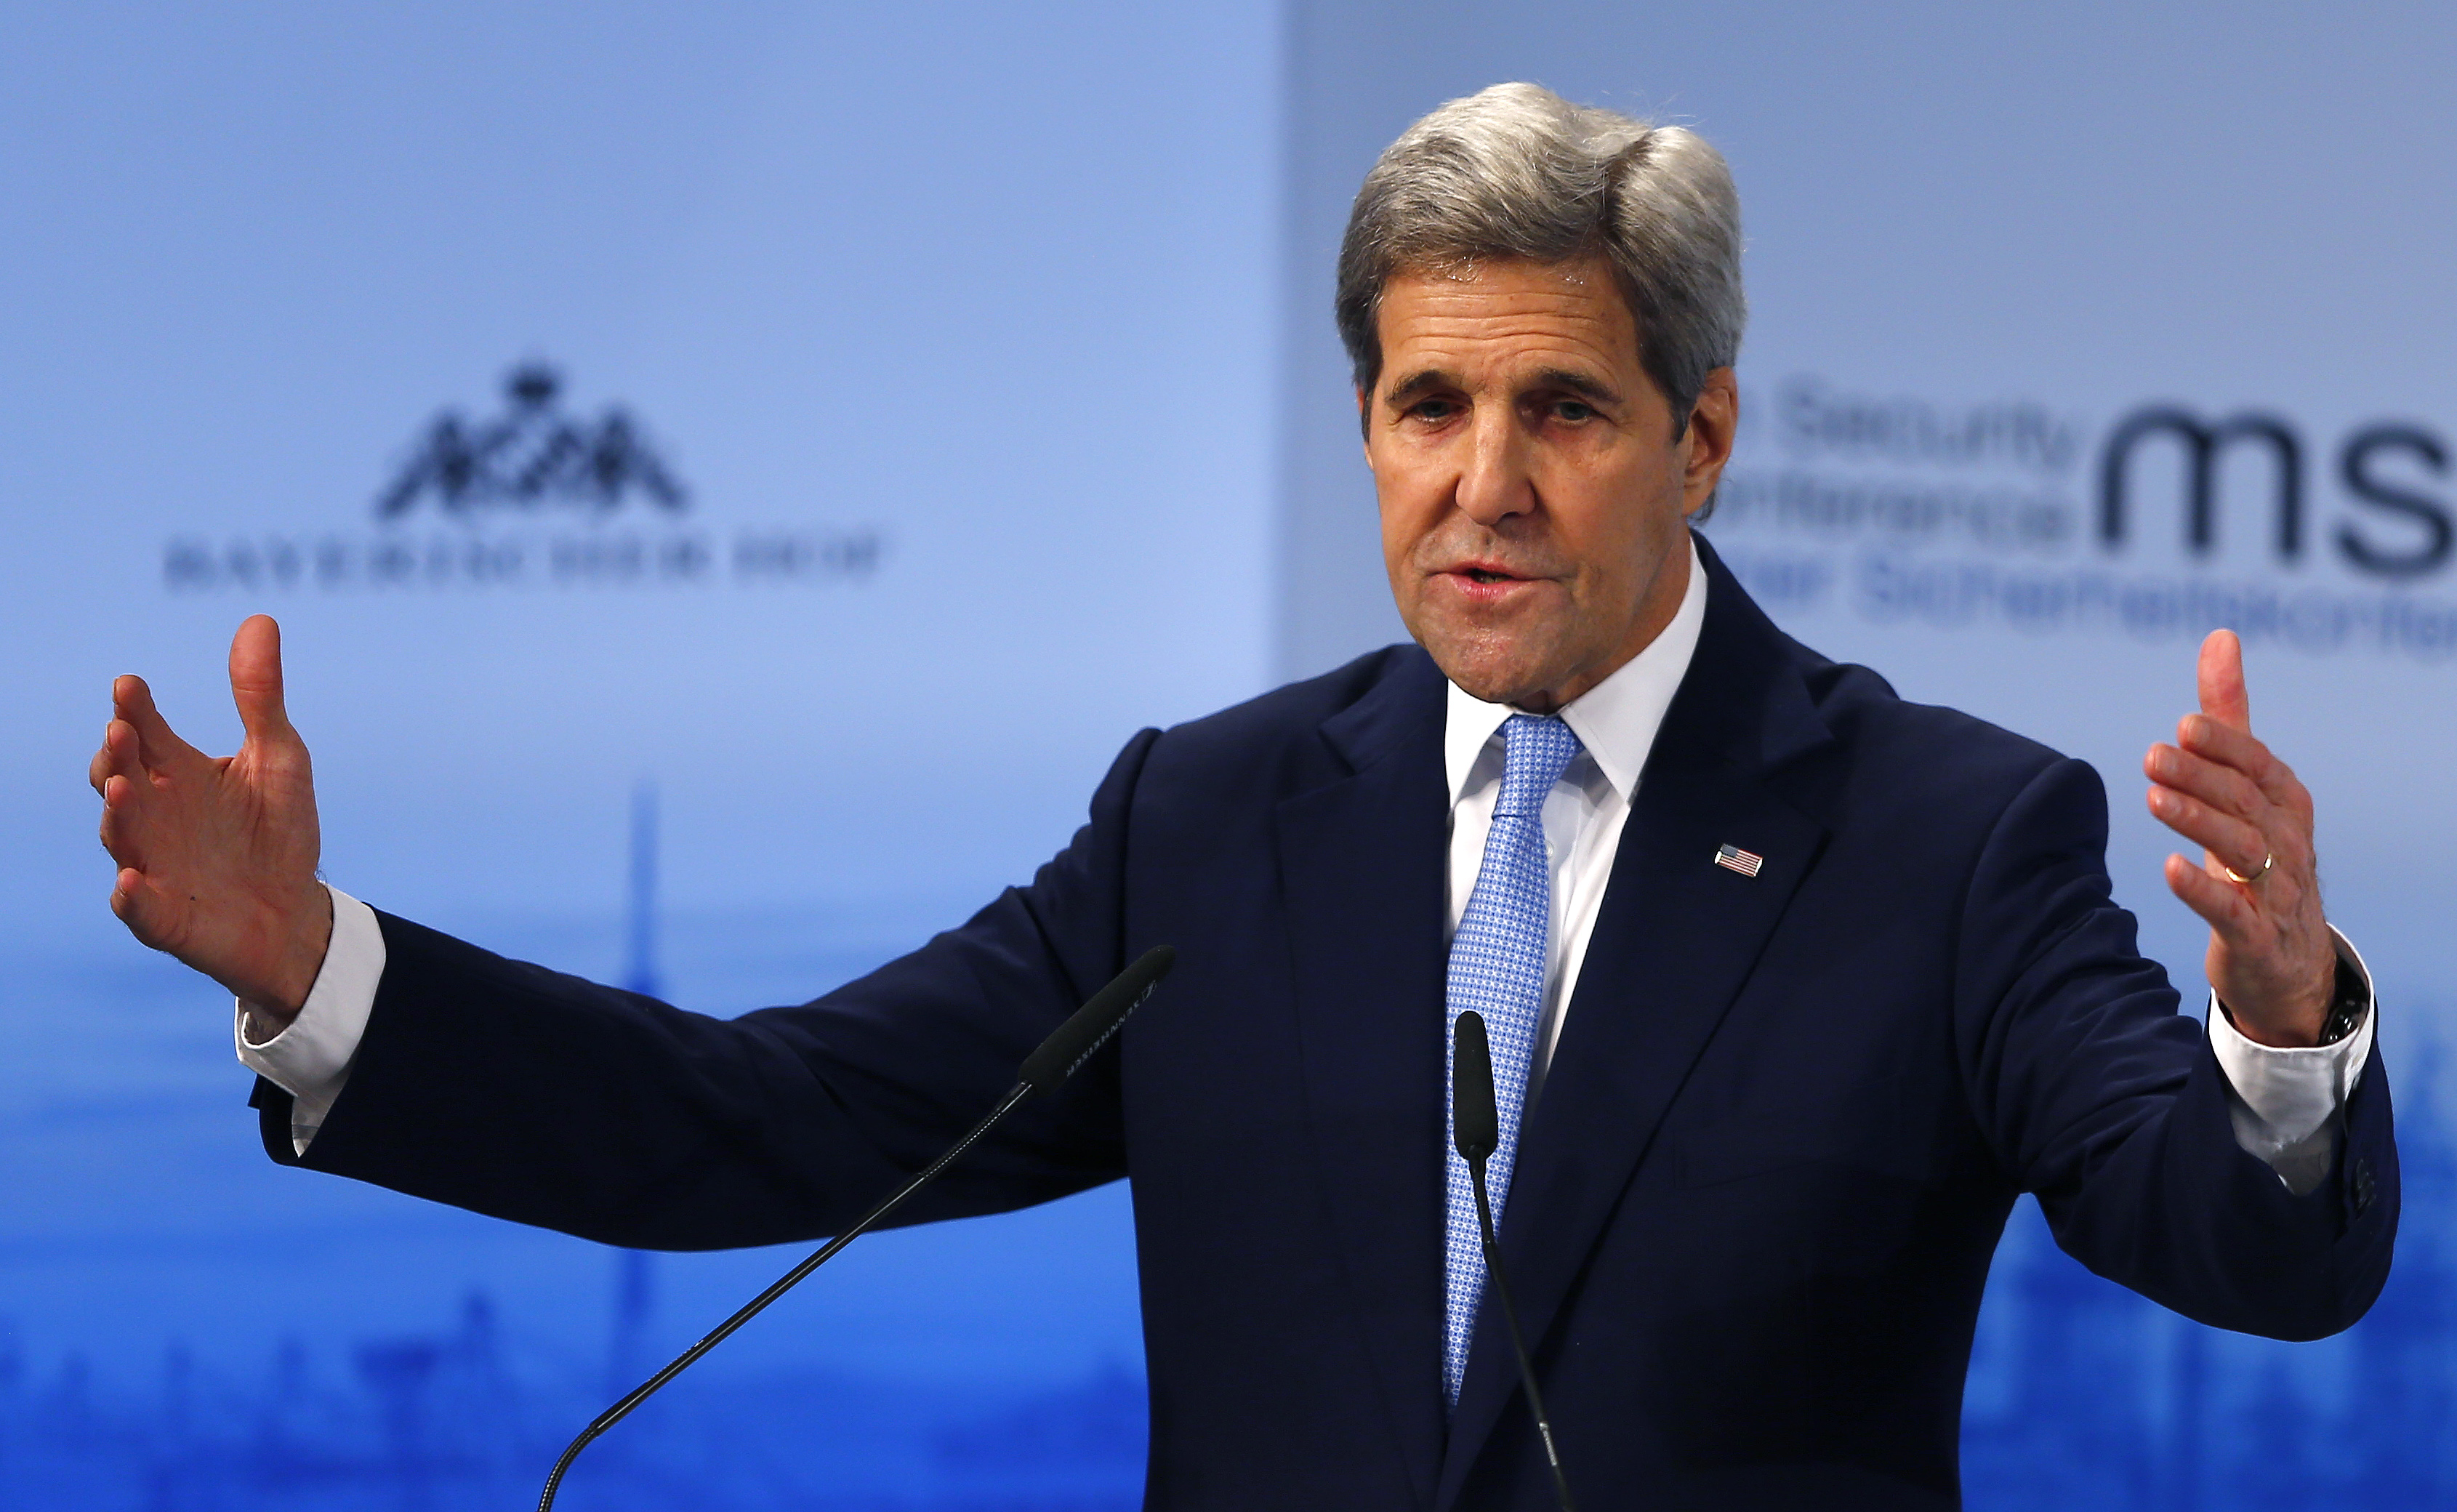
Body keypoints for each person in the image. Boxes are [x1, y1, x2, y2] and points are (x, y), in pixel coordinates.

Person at [92, 84, 2392, 1510]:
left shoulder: (1937, 835)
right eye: (1422, 408)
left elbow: (2224, 1235)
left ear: (1699, 436)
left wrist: (2280, 1031)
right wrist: (321, 976)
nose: (1478, 490)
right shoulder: (1207, 827)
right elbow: (768, 1118)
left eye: (1564, 413)